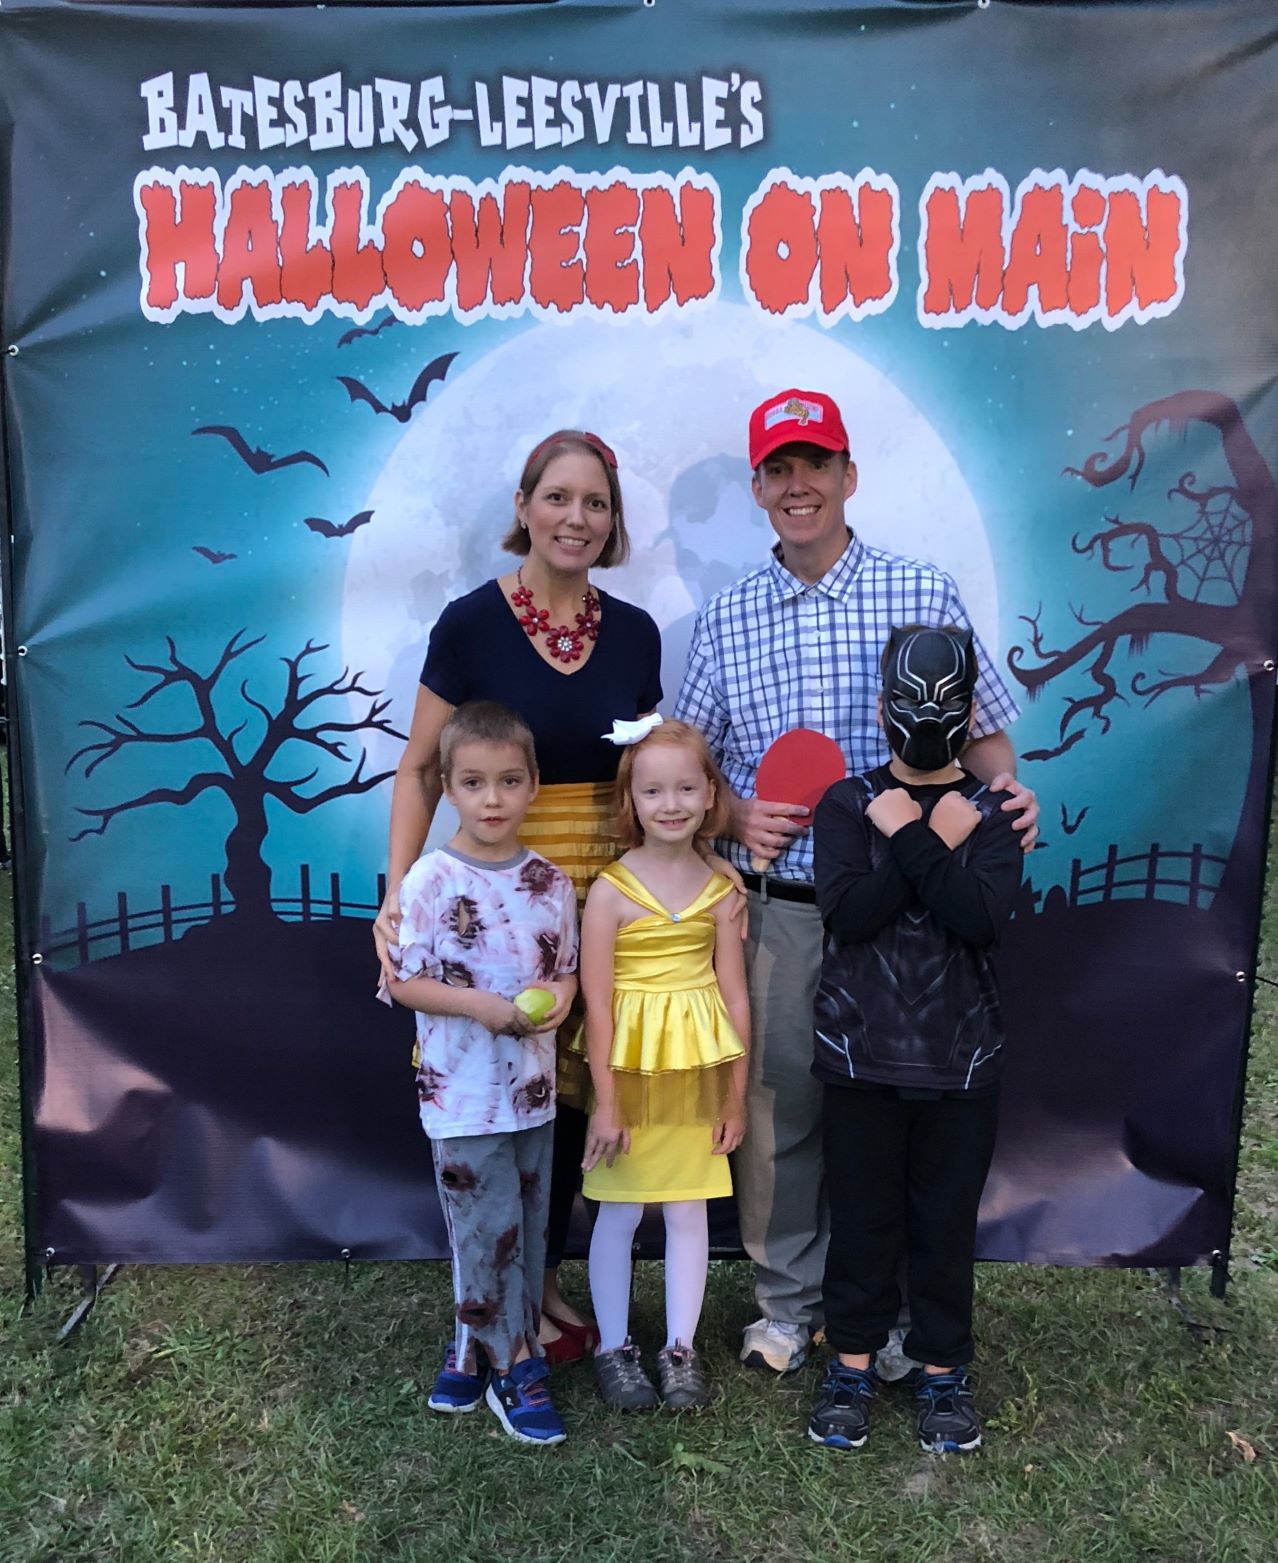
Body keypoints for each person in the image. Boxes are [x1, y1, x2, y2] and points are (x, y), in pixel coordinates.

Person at [673, 387, 1036, 1376]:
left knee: (906, 1128)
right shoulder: (728, 618)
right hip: (785, 912)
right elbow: (685, 765)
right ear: (758, 487)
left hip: (918, 921)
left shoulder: (923, 594)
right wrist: (733, 815)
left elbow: (989, 741)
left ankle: (899, 1319)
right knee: (784, 1111)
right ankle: (789, 1308)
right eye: (780, 470)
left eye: (816, 465)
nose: (800, 486)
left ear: (849, 477)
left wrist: (1011, 801)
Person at [374, 429, 662, 1362]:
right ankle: (508, 1292)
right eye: (560, 497)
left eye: (596, 503)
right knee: (505, 1081)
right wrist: (398, 897)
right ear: (524, 505)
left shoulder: (637, 633)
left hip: (602, 890)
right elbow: (419, 769)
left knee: (577, 1085)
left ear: (613, 522)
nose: (576, 518)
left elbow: (644, 775)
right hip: (498, 893)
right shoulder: (469, 622)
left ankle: (543, 1274)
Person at [807, 626, 1022, 1453]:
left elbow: (979, 921)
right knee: (861, 1219)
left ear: (969, 711)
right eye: (907, 701)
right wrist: (918, 834)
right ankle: (851, 1362)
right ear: (880, 705)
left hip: (961, 1056)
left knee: (944, 1223)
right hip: (860, 1050)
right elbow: (851, 915)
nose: (924, 717)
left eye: (945, 704)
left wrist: (916, 833)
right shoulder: (844, 801)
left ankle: (942, 1371)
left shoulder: (994, 808)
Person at [382, 701, 579, 1445]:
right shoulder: (428, 881)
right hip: (462, 1095)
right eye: (473, 782)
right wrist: (478, 1007)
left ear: (533, 785)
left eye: (507, 781)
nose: (491, 798)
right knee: (483, 1229)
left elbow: (563, 975)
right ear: (448, 787)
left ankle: (473, 1344)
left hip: (532, 1093)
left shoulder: (552, 881)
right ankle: (514, 1366)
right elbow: (402, 982)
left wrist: (559, 998)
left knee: (524, 1227)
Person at [579, 719, 750, 1411]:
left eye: (685, 787)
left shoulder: (721, 887)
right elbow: (595, 1004)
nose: (671, 803)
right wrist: (607, 1100)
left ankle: (680, 1347)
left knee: (688, 1208)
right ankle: (612, 1346)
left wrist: (735, 1096)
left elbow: (736, 996)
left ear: (710, 794)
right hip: (628, 1074)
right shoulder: (610, 890)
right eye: (654, 790)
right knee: (618, 1212)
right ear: (632, 799)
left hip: (697, 1074)